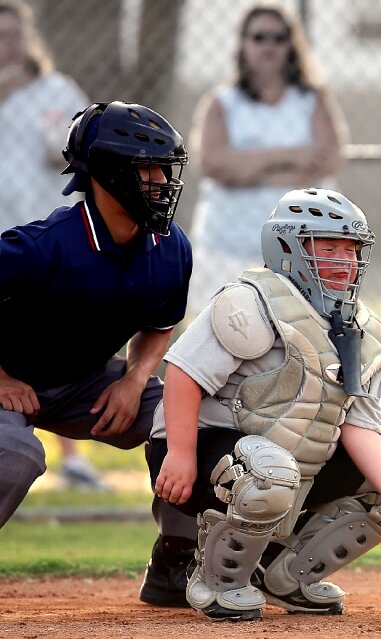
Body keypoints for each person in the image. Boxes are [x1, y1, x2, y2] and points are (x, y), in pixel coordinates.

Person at [149, 188, 381, 621]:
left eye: (352, 249)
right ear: (288, 247)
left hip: (286, 463)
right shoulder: (250, 301)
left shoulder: (365, 329)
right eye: (329, 247)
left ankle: (286, 577)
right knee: (271, 470)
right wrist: (181, 453)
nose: (345, 260)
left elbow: (362, 427)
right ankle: (217, 582)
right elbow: (184, 374)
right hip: (200, 454)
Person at [0, 100, 196, 603]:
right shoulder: (44, 246)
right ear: (108, 173)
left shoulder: (169, 246)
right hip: (8, 381)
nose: (161, 181)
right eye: (147, 168)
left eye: (164, 168)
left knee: (187, 418)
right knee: (15, 454)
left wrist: (133, 381)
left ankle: (176, 562)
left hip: (81, 382)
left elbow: (159, 325)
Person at [0, 0, 111, 491]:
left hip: (49, 237)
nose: (6, 45)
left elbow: (84, 144)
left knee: (59, 342)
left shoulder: (55, 90)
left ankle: (72, 456)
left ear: (27, 39)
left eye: (12, 35)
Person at [186, 2, 347, 316]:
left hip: (299, 248)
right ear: (243, 43)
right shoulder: (222, 103)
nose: (269, 46)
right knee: (229, 336)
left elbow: (328, 158)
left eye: (279, 37)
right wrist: (290, 157)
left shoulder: (313, 100)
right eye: (259, 37)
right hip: (227, 247)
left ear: (292, 44)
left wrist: (246, 165)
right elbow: (214, 164)